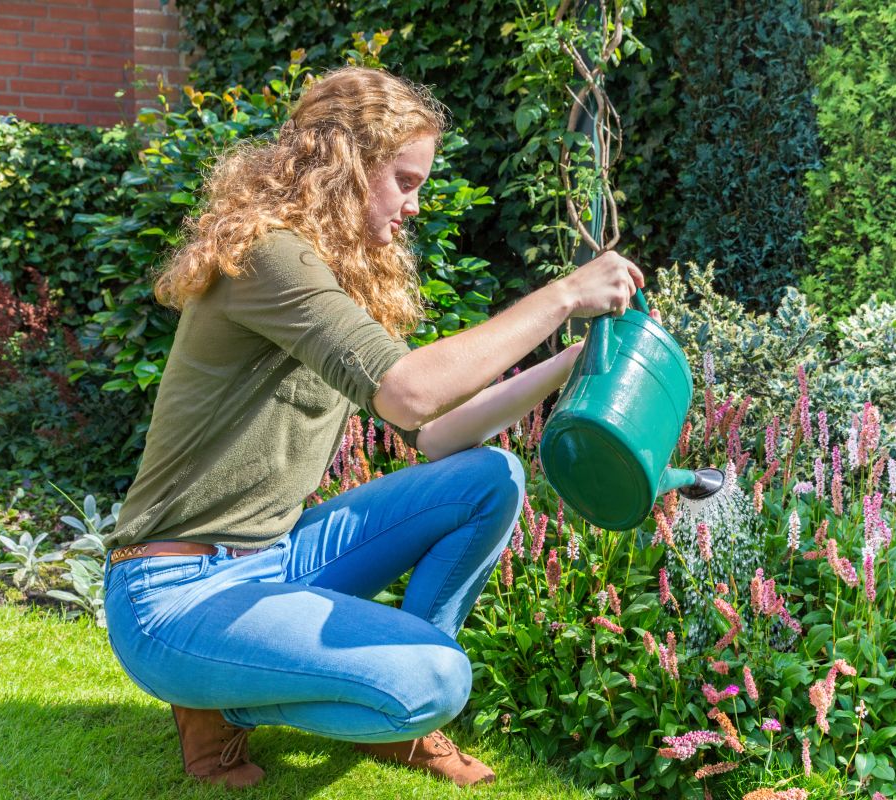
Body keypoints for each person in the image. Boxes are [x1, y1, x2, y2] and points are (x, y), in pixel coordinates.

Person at [101, 65, 647, 789]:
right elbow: (410, 394)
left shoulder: (328, 274)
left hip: (273, 557)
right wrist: (564, 294)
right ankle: (229, 705)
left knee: (490, 478)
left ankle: (383, 716)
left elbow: (437, 434)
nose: (414, 205)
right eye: (406, 180)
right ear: (346, 167)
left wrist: (573, 360)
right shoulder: (269, 259)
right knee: (436, 679)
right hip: (173, 593)